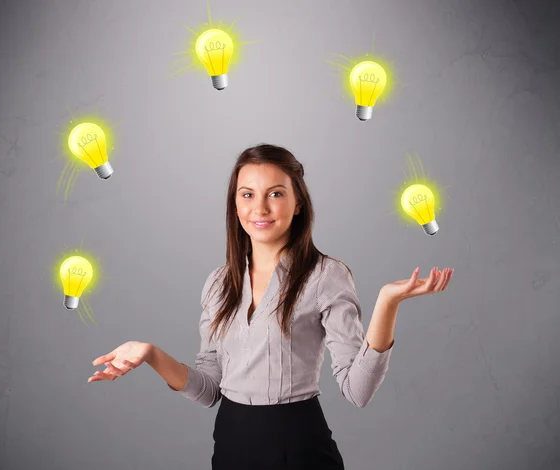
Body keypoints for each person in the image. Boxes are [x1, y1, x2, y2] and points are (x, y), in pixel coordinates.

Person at [88, 143, 454, 469]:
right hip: (230, 443)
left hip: (298, 444)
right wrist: (151, 354)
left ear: (298, 204)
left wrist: (387, 303)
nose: (259, 207)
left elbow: (358, 391)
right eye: (247, 194)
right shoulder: (218, 283)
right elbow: (209, 391)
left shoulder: (326, 276)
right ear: (234, 204)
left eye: (275, 194)